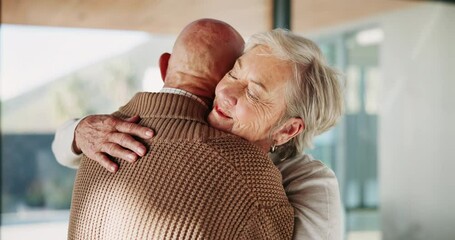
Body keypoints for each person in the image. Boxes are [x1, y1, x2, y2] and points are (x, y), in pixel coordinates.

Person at [54, 24, 344, 239]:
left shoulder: (310, 182)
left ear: (288, 129)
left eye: (254, 92)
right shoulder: (181, 129)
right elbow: (64, 148)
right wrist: (79, 130)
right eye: (233, 73)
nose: (226, 91)